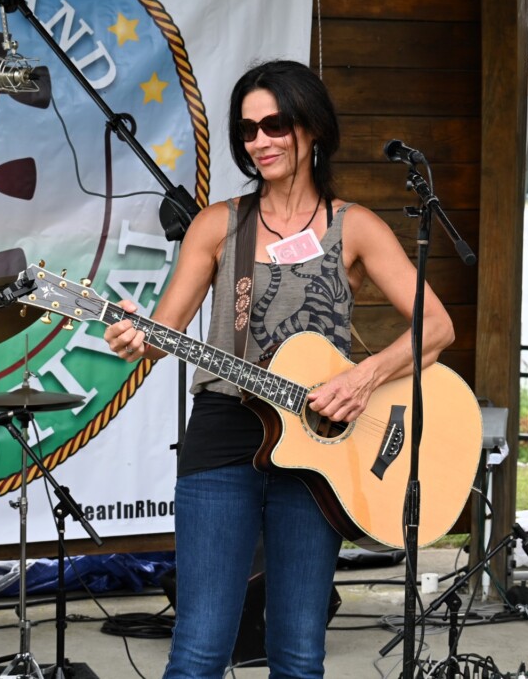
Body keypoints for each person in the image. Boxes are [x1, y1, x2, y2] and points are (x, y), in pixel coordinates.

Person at [104, 59, 454, 679]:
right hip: (223, 434)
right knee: (200, 647)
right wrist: (137, 335)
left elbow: (439, 326)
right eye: (248, 130)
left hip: (322, 443)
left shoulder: (355, 226)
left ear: (312, 128)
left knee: (298, 651)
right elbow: (164, 334)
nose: (260, 141)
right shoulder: (219, 225)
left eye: (275, 124)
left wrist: (362, 378)